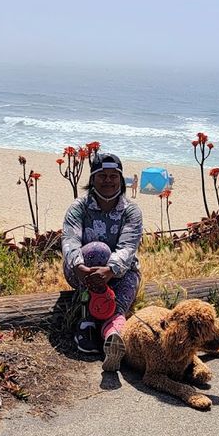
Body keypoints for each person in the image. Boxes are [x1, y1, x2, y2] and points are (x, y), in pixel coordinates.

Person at [62, 152, 143, 372]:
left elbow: (128, 246)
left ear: (120, 179)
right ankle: (87, 322)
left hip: (120, 273)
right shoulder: (79, 207)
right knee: (99, 249)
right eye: (102, 176)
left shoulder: (131, 210)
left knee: (118, 303)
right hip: (82, 272)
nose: (108, 180)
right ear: (93, 179)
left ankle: (112, 336)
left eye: (113, 176)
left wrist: (110, 270)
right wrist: (78, 266)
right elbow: (70, 239)